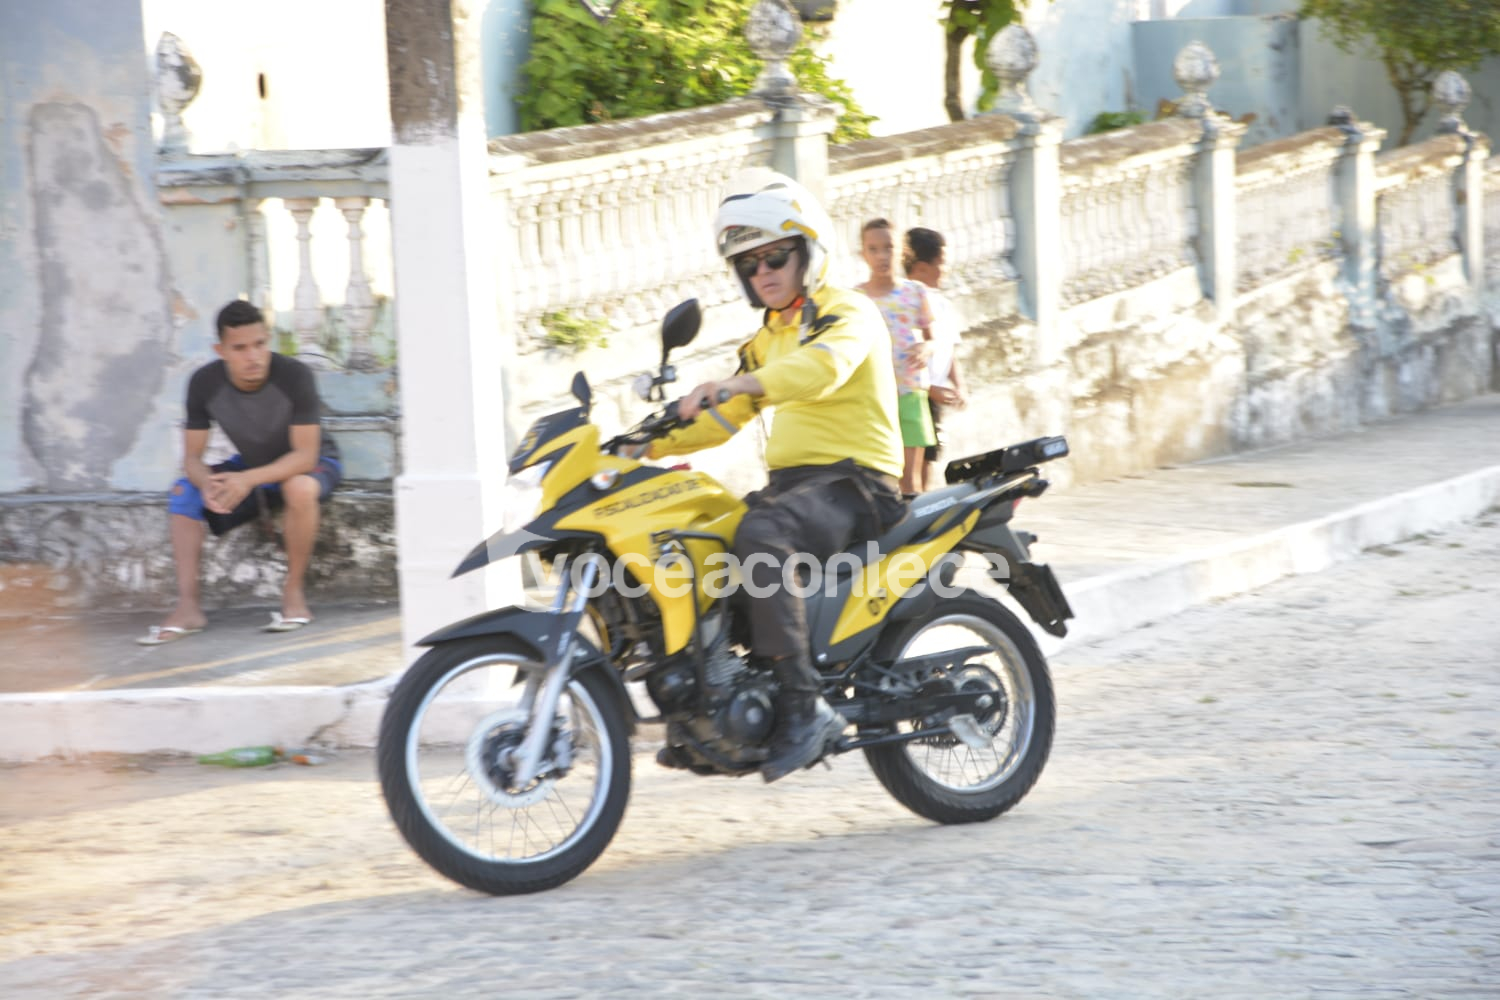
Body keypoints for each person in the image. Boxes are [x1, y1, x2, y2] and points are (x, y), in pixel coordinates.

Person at [647, 171, 906, 782]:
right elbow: (723, 419)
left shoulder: (847, 311)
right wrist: (641, 445)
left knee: (761, 535)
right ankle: (714, 707)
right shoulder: (768, 338)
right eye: (749, 263)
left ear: (807, 253)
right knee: (697, 542)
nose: (762, 271)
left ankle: (803, 704)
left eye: (775, 257)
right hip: (797, 488)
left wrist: (734, 383)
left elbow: (822, 370)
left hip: (855, 484)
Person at [136, 300, 342, 645]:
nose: (253, 357)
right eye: (240, 348)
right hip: (253, 464)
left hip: (312, 461)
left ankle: (293, 593)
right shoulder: (204, 383)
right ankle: (188, 607)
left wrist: (246, 480)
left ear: (268, 340)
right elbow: (192, 458)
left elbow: (305, 456)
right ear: (221, 351)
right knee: (183, 492)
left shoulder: (294, 376)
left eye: (260, 344)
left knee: (299, 488)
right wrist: (207, 484)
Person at [856, 218, 934, 496]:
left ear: (902, 251)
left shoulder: (915, 292)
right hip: (871, 398)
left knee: (910, 482)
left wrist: (925, 348)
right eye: (873, 249)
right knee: (876, 480)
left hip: (909, 392)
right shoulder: (855, 298)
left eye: (888, 248)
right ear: (863, 254)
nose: (881, 256)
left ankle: (916, 523)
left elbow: (932, 338)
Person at [903, 227, 968, 492]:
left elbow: (948, 351)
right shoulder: (904, 303)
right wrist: (930, 390)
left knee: (929, 458)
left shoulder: (942, 305)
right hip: (912, 394)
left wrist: (960, 386)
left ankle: (922, 508)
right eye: (942, 264)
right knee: (910, 467)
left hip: (934, 398)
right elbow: (901, 360)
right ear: (921, 267)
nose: (946, 270)